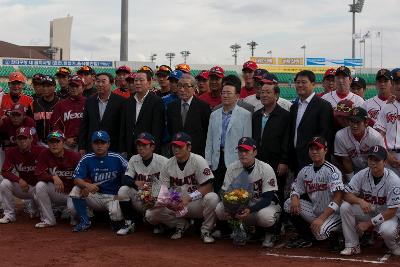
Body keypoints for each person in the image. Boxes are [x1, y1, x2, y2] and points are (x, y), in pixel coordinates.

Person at [145, 132, 219, 243]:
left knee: (212, 198)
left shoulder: (198, 161)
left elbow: (208, 186)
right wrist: (153, 197)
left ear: (189, 147)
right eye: (174, 146)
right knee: (150, 214)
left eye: (179, 146)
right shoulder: (168, 164)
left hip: (195, 203)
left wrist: (189, 198)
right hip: (176, 205)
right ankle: (181, 225)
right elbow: (162, 189)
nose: (176, 149)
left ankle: (206, 230)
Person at [215, 137, 281, 247]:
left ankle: (270, 233)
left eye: (246, 151)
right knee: (220, 209)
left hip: (263, 206)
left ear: (255, 152)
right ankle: (240, 229)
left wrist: (250, 210)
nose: (243, 154)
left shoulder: (265, 168)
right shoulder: (232, 168)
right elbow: (224, 192)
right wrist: (230, 208)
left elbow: (268, 198)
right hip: (242, 209)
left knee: (266, 217)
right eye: (240, 151)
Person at [285, 137, 344, 249]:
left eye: (318, 149)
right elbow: (295, 188)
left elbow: (338, 197)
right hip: (315, 211)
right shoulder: (305, 170)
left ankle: (338, 234)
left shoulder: (332, 171)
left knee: (321, 233)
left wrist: (322, 218)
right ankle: (307, 237)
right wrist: (294, 197)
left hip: (333, 214)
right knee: (288, 204)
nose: (314, 151)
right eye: (312, 149)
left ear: (325, 150)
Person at [340, 145, 400, 256]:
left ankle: (395, 244)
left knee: (387, 231)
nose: (372, 162)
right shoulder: (362, 174)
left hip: (389, 216)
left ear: (385, 162)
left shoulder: (394, 180)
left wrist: (368, 224)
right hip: (370, 211)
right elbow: (346, 195)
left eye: (377, 160)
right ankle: (352, 245)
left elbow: (392, 211)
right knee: (345, 207)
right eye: (370, 159)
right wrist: (360, 201)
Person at [71, 130, 127, 232]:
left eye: (103, 143)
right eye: (96, 143)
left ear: (108, 144)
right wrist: (87, 185)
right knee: (76, 190)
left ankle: (113, 220)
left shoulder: (117, 158)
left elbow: (130, 172)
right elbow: (76, 179)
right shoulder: (86, 158)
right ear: (92, 144)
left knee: (116, 218)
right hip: (96, 195)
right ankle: (85, 221)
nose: (99, 146)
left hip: (114, 196)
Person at [205, 75, 252, 193]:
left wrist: (244, 160)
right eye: (223, 92)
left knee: (233, 193)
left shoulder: (245, 115)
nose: (225, 95)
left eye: (229, 93)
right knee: (215, 192)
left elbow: (247, 140)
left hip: (235, 160)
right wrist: (208, 162)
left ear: (237, 96)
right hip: (216, 160)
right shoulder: (214, 114)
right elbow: (209, 140)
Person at [116, 132, 168, 235]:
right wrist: (135, 182)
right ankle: (129, 222)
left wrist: (154, 191)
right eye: (139, 145)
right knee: (123, 190)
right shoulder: (134, 159)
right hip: (141, 196)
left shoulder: (163, 161)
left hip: (158, 197)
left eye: (144, 145)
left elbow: (170, 183)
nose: (140, 148)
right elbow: (125, 179)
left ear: (152, 147)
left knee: (152, 212)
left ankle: (158, 223)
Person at [252, 77, 290, 209]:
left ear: (276, 95)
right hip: (258, 160)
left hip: (276, 162)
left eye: (268, 92)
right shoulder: (256, 115)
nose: (264, 95)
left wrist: (284, 161)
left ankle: (277, 226)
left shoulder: (285, 116)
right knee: (258, 192)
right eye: (262, 92)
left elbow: (287, 139)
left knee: (276, 193)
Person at [287, 70, 334, 173]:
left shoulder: (323, 106)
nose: (300, 85)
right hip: (295, 161)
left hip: (315, 161)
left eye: (304, 82)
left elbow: (325, 135)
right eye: (297, 82)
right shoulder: (294, 107)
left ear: (313, 84)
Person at [34, 131, 81, 227]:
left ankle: (77, 216)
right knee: (40, 186)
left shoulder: (74, 156)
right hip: (58, 192)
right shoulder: (45, 154)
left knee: (73, 210)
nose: (54, 145)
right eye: (51, 142)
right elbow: (39, 174)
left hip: (72, 192)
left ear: (63, 143)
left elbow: (83, 176)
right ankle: (49, 220)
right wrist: (53, 177)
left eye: (57, 142)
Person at [0, 127, 45, 223]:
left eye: (25, 138)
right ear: (16, 140)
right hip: (25, 187)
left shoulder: (41, 151)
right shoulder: (12, 152)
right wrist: (18, 180)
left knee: (42, 188)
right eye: (20, 139)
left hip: (40, 187)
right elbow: (4, 171)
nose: (22, 141)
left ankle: (49, 213)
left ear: (31, 139)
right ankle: (9, 215)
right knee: (5, 183)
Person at [78, 72, 126, 155]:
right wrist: (82, 146)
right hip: (92, 146)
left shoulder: (121, 102)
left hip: (113, 147)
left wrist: (122, 148)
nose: (100, 84)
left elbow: (123, 127)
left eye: (103, 81)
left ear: (111, 83)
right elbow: (84, 125)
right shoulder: (89, 101)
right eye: (98, 81)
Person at [334, 107, 384, 182]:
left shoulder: (375, 137)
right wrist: (352, 181)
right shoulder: (340, 135)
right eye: (352, 121)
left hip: (373, 169)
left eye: (358, 122)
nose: (354, 125)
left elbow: (378, 161)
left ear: (366, 123)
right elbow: (346, 160)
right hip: (353, 170)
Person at [167, 74, 211, 156]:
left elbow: (206, 130)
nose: (182, 89)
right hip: (176, 152)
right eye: (179, 86)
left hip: (196, 152)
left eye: (186, 86)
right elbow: (170, 129)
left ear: (194, 88)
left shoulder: (203, 106)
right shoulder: (172, 106)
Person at [125, 69, 164, 157]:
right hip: (130, 148)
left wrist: (154, 149)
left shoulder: (157, 102)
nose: (138, 83)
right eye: (136, 80)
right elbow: (124, 127)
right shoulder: (128, 102)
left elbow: (157, 129)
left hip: (148, 147)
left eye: (141, 80)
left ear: (149, 83)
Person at [50, 75, 86, 151]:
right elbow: (55, 126)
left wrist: (81, 139)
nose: (74, 88)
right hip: (66, 144)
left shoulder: (89, 103)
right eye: (71, 86)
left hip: (85, 144)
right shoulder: (61, 105)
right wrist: (65, 139)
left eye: (77, 86)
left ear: (83, 87)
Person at [375, 71, 400, 177]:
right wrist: (386, 154)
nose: (399, 86)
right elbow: (380, 134)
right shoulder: (386, 107)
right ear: (392, 85)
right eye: (397, 83)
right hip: (390, 155)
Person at [32, 75, 60, 144]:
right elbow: (30, 124)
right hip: (39, 142)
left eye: (48, 86)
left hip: (58, 141)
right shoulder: (34, 104)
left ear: (54, 87)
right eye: (43, 86)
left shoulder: (61, 103)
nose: (45, 88)